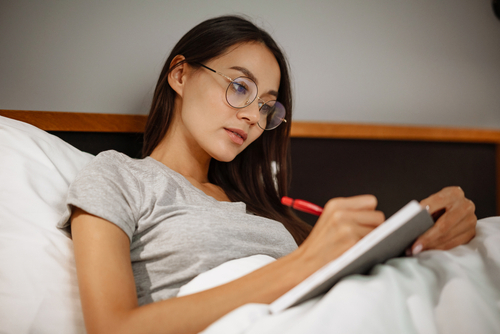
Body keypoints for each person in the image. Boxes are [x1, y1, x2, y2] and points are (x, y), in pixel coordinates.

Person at [64, 15, 477, 334]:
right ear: (180, 74)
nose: (251, 116)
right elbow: (113, 327)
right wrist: (308, 261)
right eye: (240, 87)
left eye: (266, 106)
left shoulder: (257, 206)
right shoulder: (118, 175)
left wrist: (421, 237)